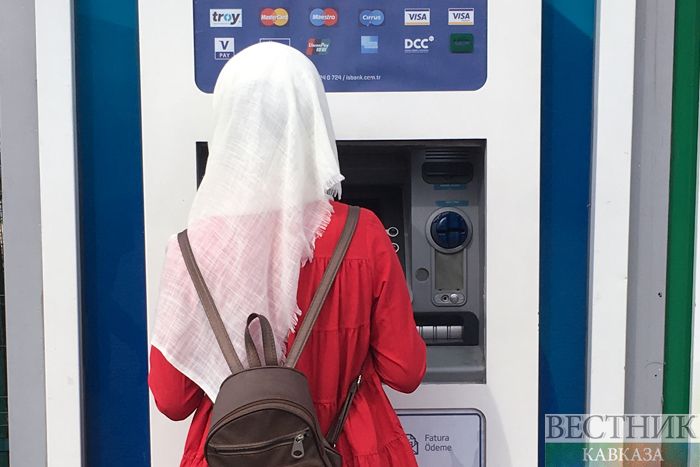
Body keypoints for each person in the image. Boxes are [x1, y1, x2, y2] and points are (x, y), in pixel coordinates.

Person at [148, 42, 426, 467]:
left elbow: (172, 400)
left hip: (234, 456)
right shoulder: (363, 232)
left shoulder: (193, 249)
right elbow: (404, 372)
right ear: (313, 121)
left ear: (227, 125)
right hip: (350, 450)